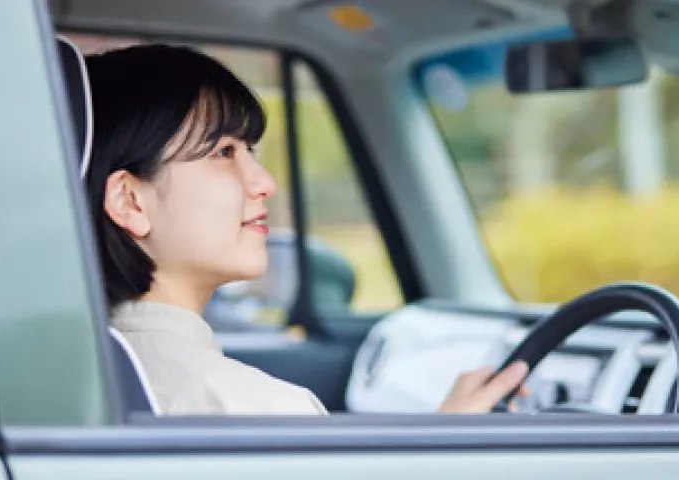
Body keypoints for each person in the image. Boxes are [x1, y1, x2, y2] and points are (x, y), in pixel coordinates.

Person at [83, 44, 529, 415]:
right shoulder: (264, 413)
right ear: (130, 200)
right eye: (223, 152)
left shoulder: (84, 378)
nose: (264, 183)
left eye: (250, 151)